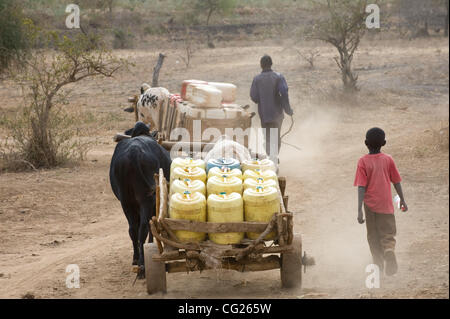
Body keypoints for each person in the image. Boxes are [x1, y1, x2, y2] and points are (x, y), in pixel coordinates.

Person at [354, 127, 408, 276]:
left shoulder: (363, 162)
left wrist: (359, 209)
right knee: (388, 233)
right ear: (384, 143)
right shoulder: (388, 159)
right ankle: (389, 250)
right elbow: (396, 181)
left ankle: (377, 264)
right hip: (386, 205)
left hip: (370, 206)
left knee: (373, 235)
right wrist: (402, 200)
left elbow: (361, 187)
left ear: (366, 143)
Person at [250, 55, 293, 163]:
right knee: (276, 136)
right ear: (271, 64)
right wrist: (288, 110)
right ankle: (274, 158)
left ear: (261, 65)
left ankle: (271, 158)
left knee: (267, 137)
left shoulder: (257, 79)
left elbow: (254, 97)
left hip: (264, 115)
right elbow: (284, 93)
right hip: (277, 114)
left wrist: (263, 98)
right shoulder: (279, 77)